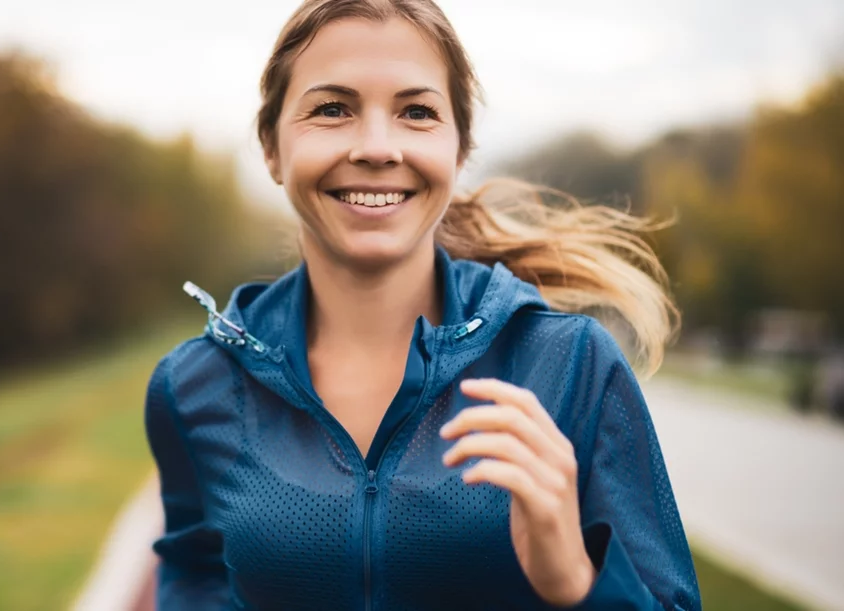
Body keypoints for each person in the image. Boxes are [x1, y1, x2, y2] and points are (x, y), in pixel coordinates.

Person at [144, 0, 700, 608]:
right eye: (332, 109)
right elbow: (195, 584)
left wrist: (572, 579)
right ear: (272, 148)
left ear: (459, 151)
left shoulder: (570, 366)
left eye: (416, 112)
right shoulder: (193, 386)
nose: (379, 147)